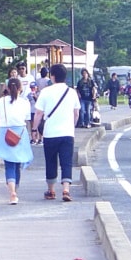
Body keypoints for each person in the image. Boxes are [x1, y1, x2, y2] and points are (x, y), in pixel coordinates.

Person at [32, 63, 80, 202]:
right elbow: (76, 113)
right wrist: (72, 126)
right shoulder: (71, 92)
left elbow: (39, 113)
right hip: (67, 133)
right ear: (65, 77)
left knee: (51, 161)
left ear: (52, 76)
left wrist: (34, 129)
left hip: (50, 133)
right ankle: (66, 190)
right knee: (66, 162)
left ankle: (51, 190)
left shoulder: (46, 92)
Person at [0, 78, 33, 205]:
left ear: (6, 88)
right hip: (20, 134)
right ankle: (15, 190)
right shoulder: (25, 102)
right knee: (17, 162)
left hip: (5, 134)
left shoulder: (0, 102)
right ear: (20, 89)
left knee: (9, 164)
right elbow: (27, 118)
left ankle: (12, 192)